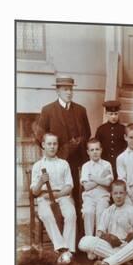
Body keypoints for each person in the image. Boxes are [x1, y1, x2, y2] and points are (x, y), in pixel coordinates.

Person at [36, 75, 91, 205]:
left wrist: (79, 142)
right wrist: (53, 151)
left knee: (78, 193)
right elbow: (39, 136)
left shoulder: (80, 110)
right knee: (60, 195)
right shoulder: (48, 110)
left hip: (78, 161)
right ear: (57, 91)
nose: (69, 92)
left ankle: (78, 224)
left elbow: (87, 133)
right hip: (57, 161)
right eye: (65, 89)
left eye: (71, 89)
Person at [78, 180, 133, 265]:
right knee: (84, 241)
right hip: (111, 246)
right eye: (115, 193)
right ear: (111, 194)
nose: (118, 196)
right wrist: (107, 237)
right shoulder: (107, 211)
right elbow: (99, 234)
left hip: (127, 245)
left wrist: (132, 236)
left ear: (125, 194)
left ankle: (109, 261)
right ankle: (128, 260)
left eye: (121, 193)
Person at [30, 133, 77, 265]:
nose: (52, 147)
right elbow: (34, 191)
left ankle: (67, 250)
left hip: (62, 195)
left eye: (54, 144)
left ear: (58, 146)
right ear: (43, 145)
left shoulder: (64, 164)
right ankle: (63, 248)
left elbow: (69, 186)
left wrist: (58, 195)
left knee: (71, 214)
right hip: (43, 197)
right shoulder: (37, 166)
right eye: (49, 144)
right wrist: (40, 181)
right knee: (45, 214)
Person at [80, 138, 113, 243]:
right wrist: (100, 179)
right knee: (88, 212)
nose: (95, 152)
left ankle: (99, 243)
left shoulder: (107, 165)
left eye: (97, 149)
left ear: (101, 150)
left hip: (103, 196)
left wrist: (93, 178)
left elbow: (108, 183)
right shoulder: (85, 166)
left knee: (101, 212)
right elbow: (86, 187)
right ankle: (89, 243)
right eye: (92, 150)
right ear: (88, 152)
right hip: (89, 197)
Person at [95, 100, 127, 179]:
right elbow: (97, 146)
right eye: (111, 114)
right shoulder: (101, 129)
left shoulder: (123, 129)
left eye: (116, 114)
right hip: (105, 162)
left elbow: (126, 146)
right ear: (106, 114)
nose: (113, 116)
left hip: (119, 163)